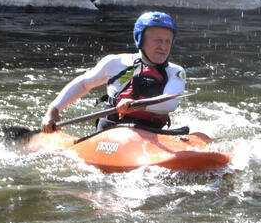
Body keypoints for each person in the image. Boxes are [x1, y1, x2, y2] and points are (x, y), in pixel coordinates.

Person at [40, 11, 186, 133]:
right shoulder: (115, 63)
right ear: (140, 40)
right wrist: (53, 110)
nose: (163, 46)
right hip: (112, 129)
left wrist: (137, 104)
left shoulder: (176, 72)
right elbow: (84, 84)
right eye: (158, 40)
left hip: (153, 131)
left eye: (168, 41)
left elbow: (170, 103)